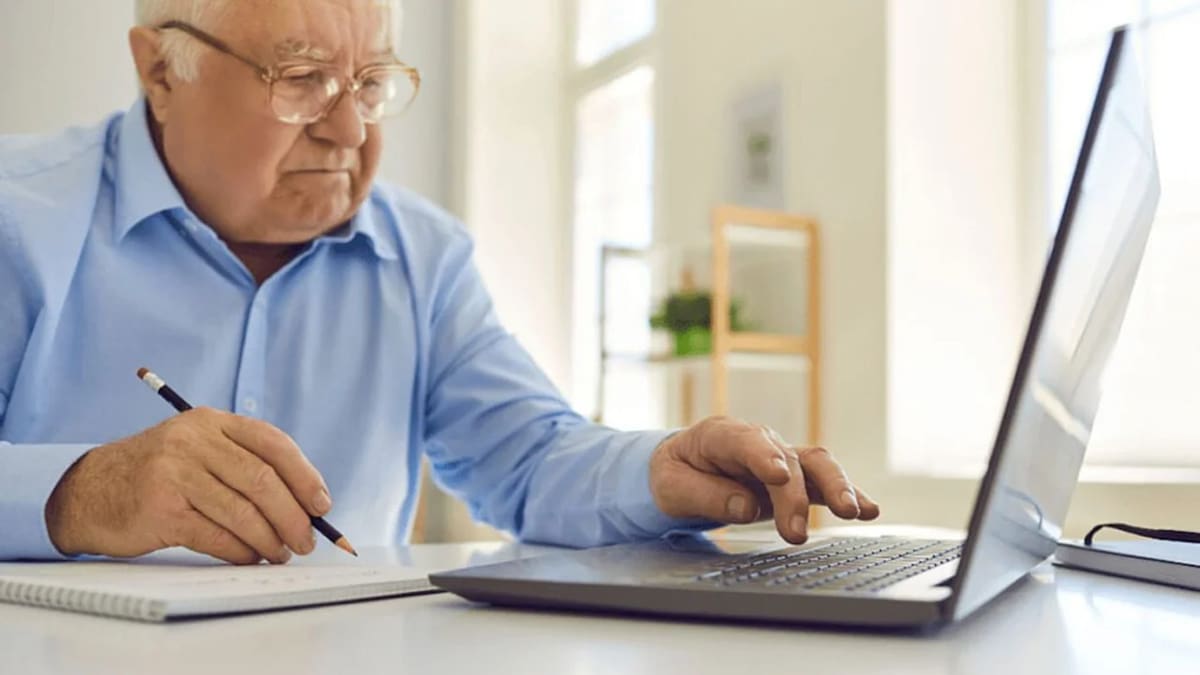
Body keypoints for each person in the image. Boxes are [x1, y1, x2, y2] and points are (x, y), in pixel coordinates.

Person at [0, 0, 878, 565]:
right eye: (303, 81)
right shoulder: (19, 217)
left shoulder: (424, 256)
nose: (349, 130)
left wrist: (660, 467)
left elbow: (532, 463)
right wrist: (84, 491)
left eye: (371, 82)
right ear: (160, 71)